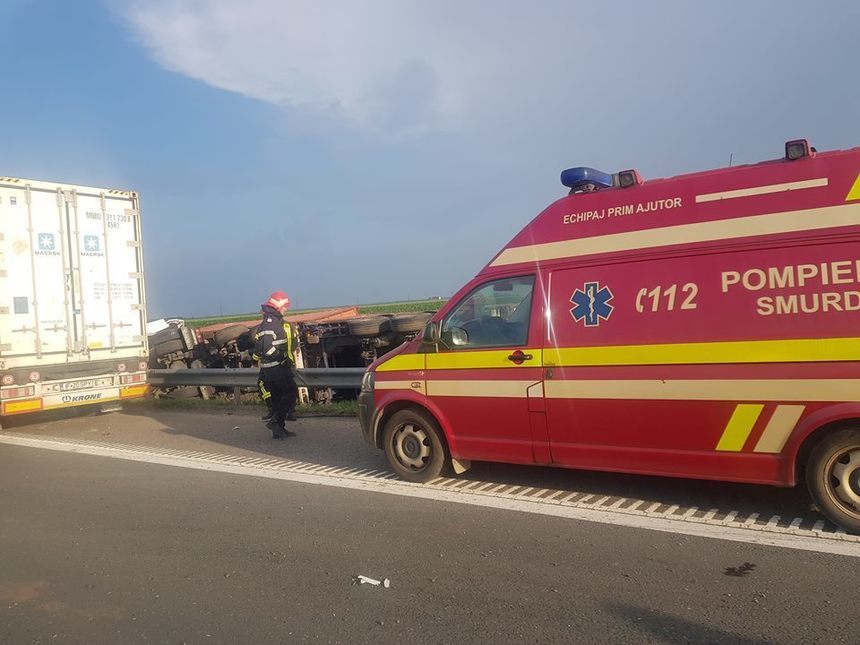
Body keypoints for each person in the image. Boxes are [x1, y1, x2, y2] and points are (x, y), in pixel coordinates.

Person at [253, 291, 299, 439]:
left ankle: (279, 430)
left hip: (272, 368)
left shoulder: (270, 321)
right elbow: (267, 348)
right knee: (291, 392)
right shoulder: (271, 323)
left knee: (278, 397)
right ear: (279, 306)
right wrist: (281, 357)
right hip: (276, 367)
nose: (286, 309)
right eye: (285, 307)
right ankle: (275, 422)